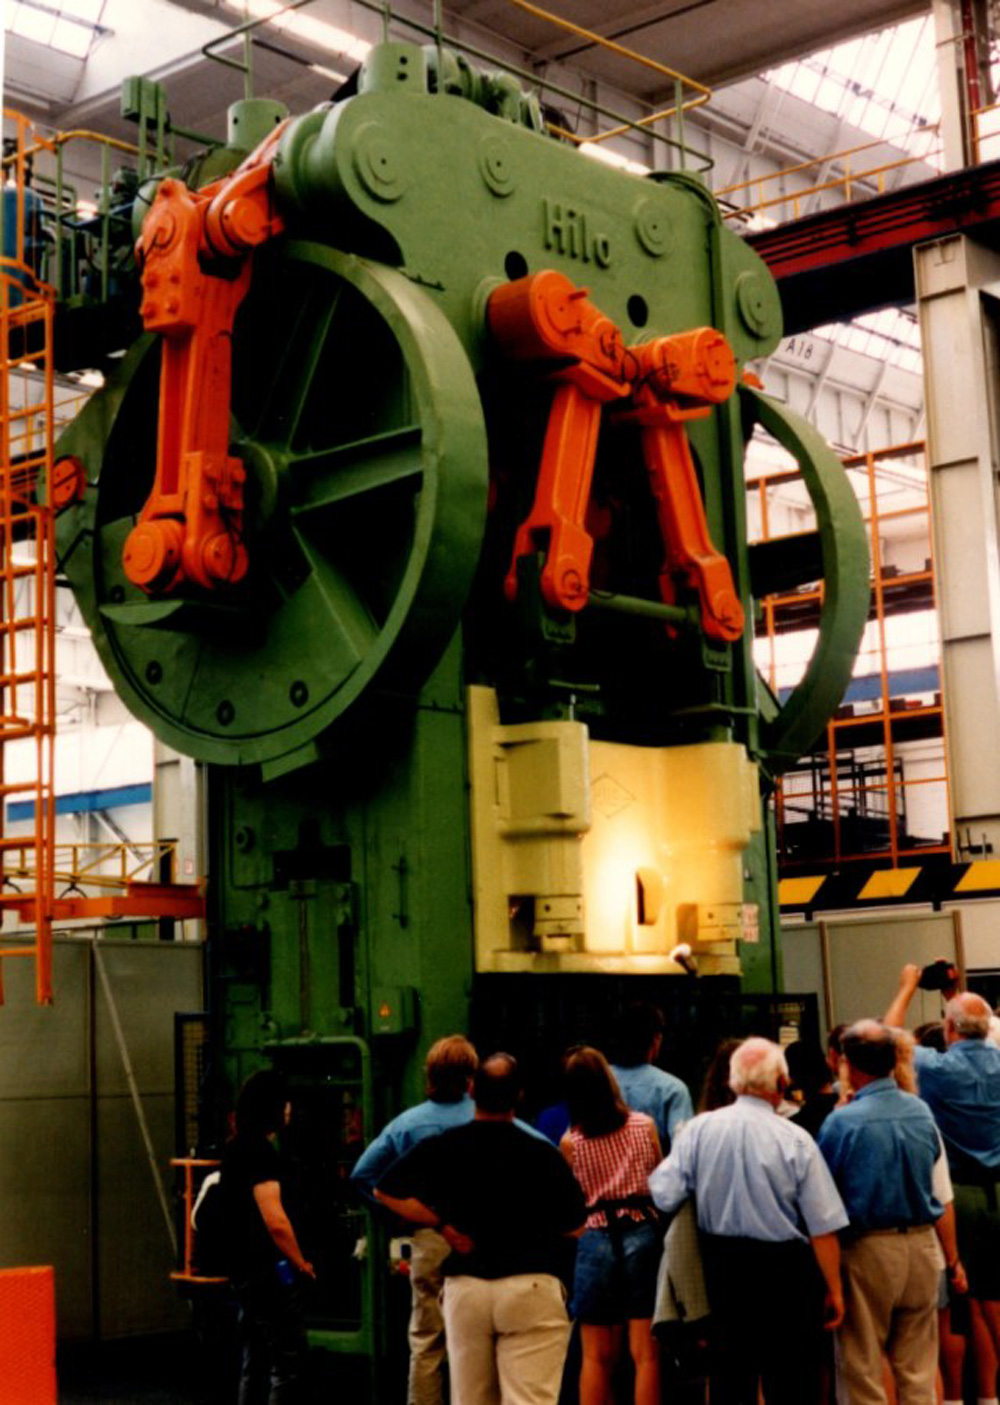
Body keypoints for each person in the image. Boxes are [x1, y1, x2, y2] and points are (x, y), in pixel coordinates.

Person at [375, 1053, 588, 1405]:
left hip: (466, 1288)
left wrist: (441, 1224)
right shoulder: (541, 1152)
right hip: (530, 1286)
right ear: (520, 1095)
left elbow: (384, 1189)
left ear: (472, 1089)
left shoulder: (444, 1146)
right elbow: (576, 1224)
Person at [649, 1037, 847, 1403]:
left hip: (723, 1270)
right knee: (792, 1382)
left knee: (730, 1379)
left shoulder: (696, 1131)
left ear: (733, 1082)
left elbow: (663, 1193)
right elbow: (823, 1224)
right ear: (781, 1084)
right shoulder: (796, 1140)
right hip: (788, 1272)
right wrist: (834, 1288)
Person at [816, 1020, 966, 1405]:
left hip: (867, 1250)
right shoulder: (920, 1112)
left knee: (863, 1366)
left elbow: (823, 1195)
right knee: (917, 1366)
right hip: (920, 1246)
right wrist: (952, 1260)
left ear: (848, 1063)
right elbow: (939, 1187)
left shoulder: (842, 1122)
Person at [886, 965, 1000, 1403]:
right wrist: (957, 995)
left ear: (949, 1028)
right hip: (999, 1190)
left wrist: (908, 987)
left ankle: (954, 1396)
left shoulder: (937, 1069)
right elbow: (977, 1026)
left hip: (959, 1195)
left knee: (959, 1301)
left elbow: (889, 1036)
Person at [351, 1034, 479, 1405]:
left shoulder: (407, 1124)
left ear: (431, 1076)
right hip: (480, 1240)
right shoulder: (485, 1120)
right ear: (470, 1078)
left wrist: (398, 1219)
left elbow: (363, 1175)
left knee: (427, 1342)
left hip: (430, 1240)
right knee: (478, 1341)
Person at [559, 1047, 662, 1405]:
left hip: (596, 1235)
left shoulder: (572, 1143)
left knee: (595, 1357)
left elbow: (570, 1202)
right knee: (646, 1354)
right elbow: (659, 1181)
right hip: (644, 1232)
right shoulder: (643, 1126)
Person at [220, 1069, 314, 1405]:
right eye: (284, 1102)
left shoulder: (233, 1149)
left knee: (254, 1358)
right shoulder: (261, 1153)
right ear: (272, 1107)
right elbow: (275, 1220)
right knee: (288, 1361)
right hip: (267, 1272)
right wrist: (300, 1261)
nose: (289, 1108)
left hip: (242, 1272)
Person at [610, 1003, 693, 1151]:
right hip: (655, 1173)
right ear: (656, 1040)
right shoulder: (673, 1089)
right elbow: (683, 1151)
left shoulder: (595, 1082)